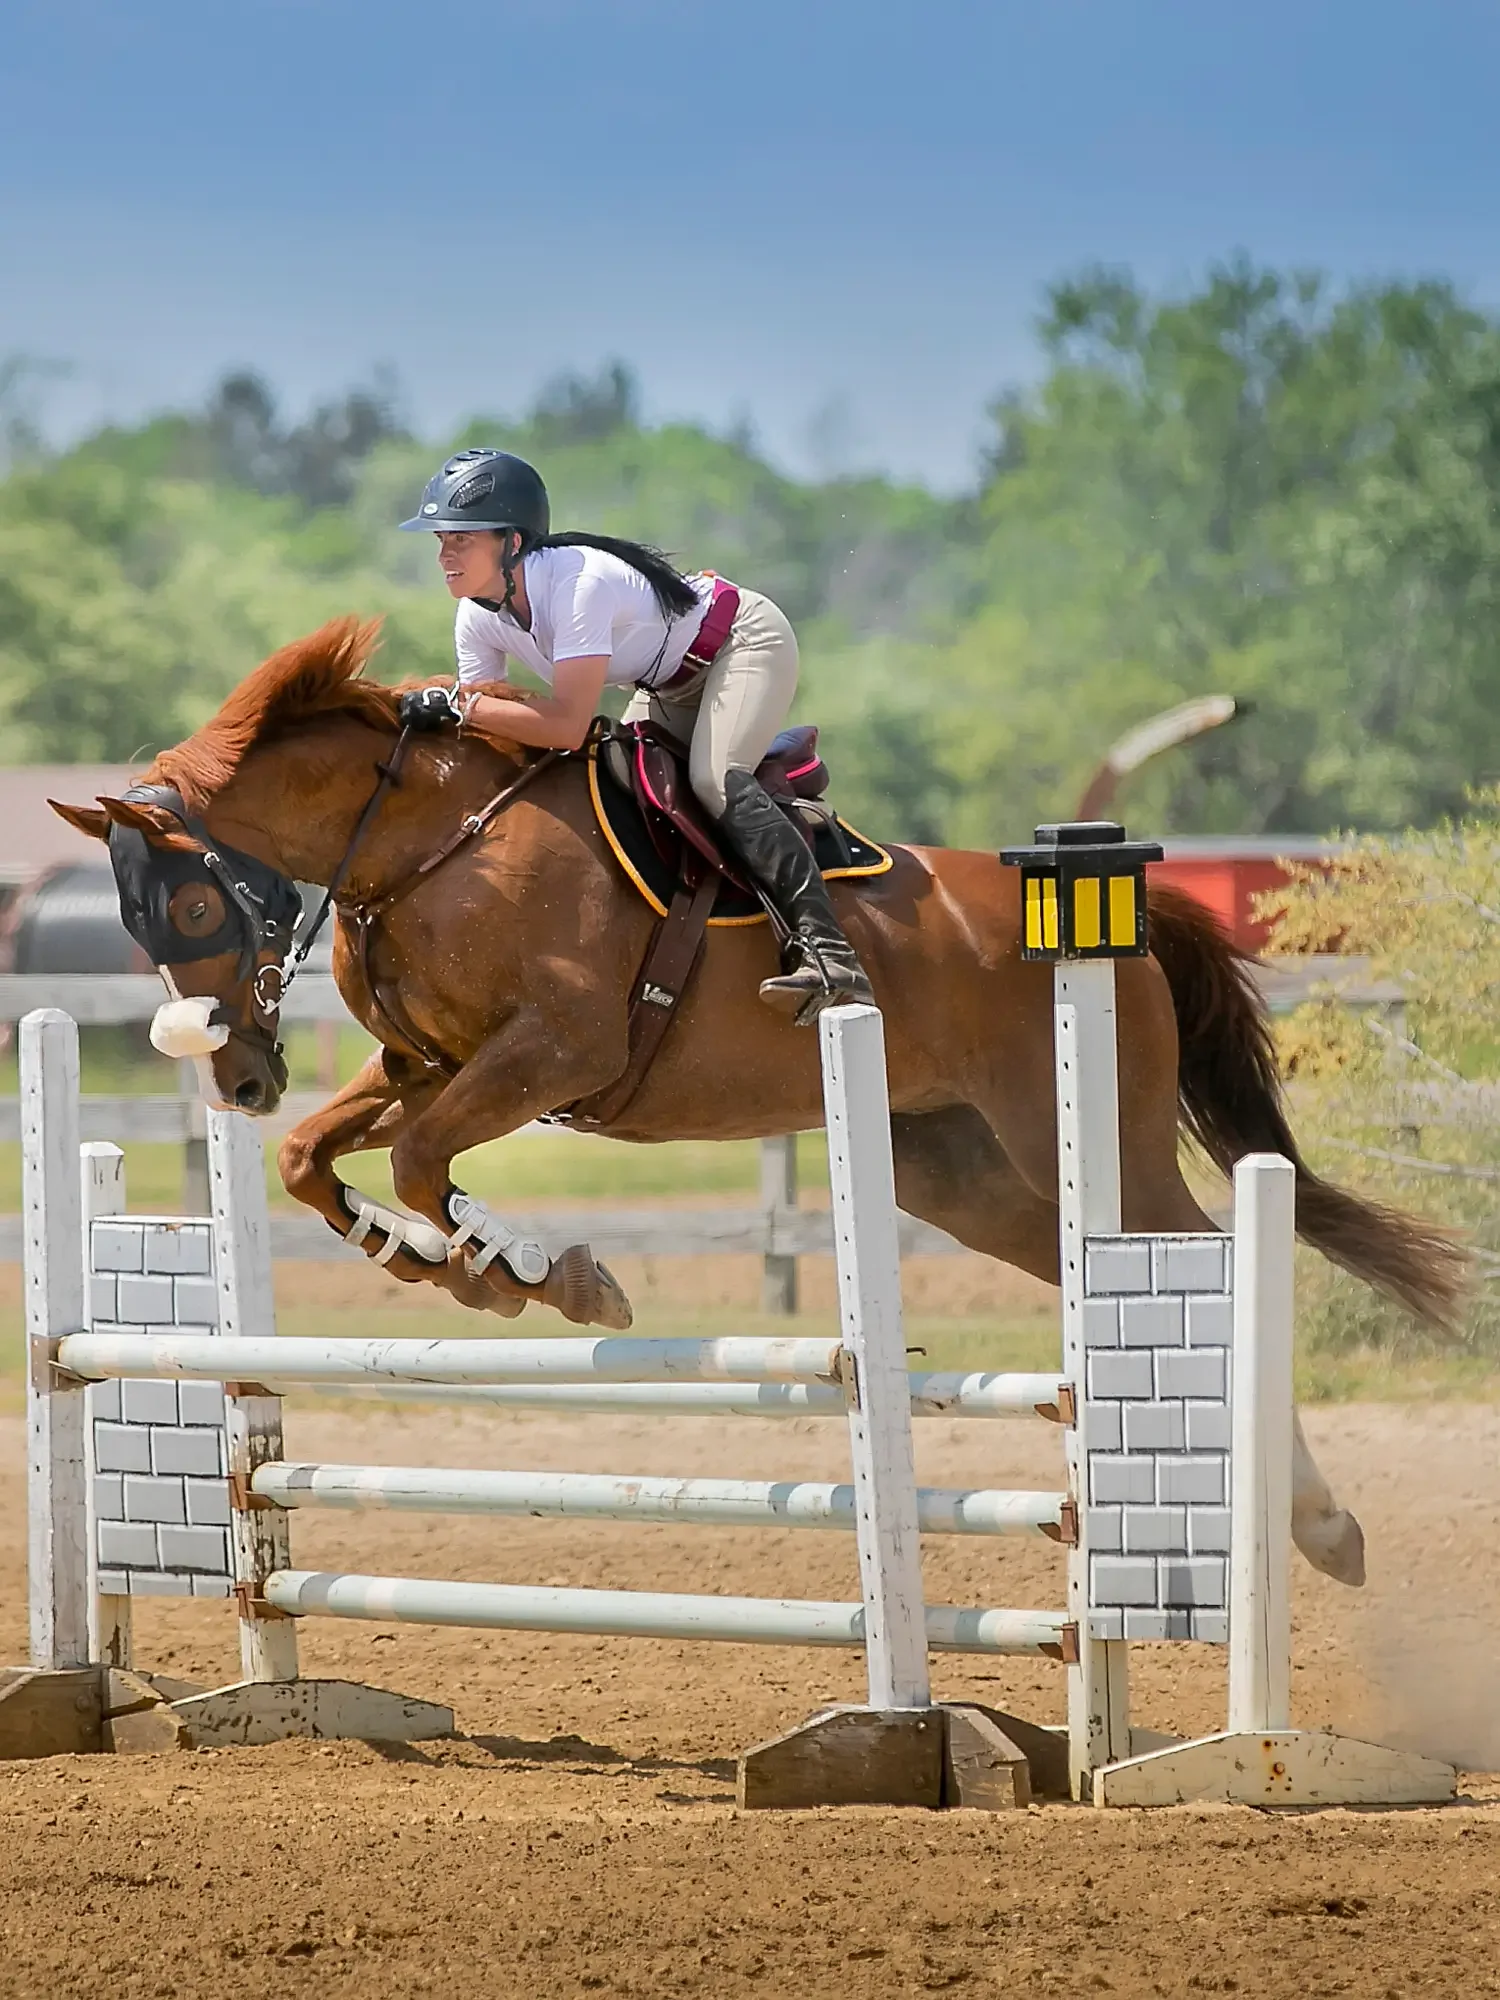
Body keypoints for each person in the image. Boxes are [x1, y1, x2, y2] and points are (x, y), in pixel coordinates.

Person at [397, 448, 873, 1021]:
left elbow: (565, 726)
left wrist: (456, 708)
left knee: (714, 780)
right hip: (666, 683)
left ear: (514, 542)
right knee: (618, 783)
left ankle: (829, 952)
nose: (444, 554)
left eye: (461, 539)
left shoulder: (576, 585)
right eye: (441, 539)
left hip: (741, 643)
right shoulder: (476, 614)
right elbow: (491, 721)